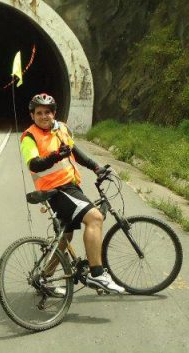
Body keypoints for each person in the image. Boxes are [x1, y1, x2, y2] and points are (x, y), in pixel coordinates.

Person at [20, 93, 125, 294]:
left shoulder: (60, 129)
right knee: (95, 218)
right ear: (32, 116)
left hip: (70, 186)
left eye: (47, 112)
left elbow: (75, 152)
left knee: (65, 236)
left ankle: (43, 280)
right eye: (39, 113)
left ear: (54, 113)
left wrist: (96, 167)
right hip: (56, 190)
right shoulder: (29, 137)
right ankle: (97, 274)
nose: (44, 116)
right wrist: (55, 156)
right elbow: (34, 164)